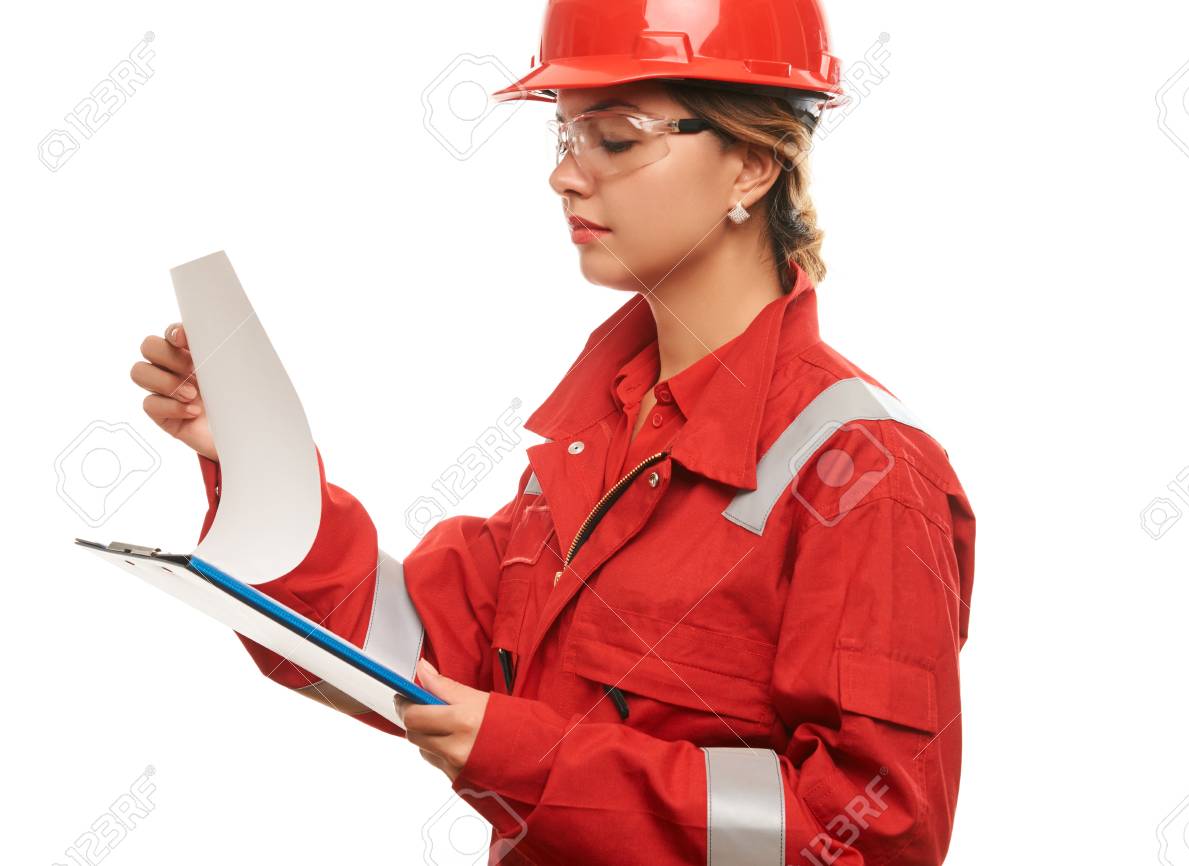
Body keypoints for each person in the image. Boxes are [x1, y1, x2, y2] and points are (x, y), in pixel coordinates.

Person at [130, 1, 976, 863]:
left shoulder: (866, 468)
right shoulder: (601, 431)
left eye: (615, 138)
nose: (565, 177)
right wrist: (256, 460)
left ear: (750, 168)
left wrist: (535, 761)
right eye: (565, 138)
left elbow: (875, 836)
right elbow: (407, 650)